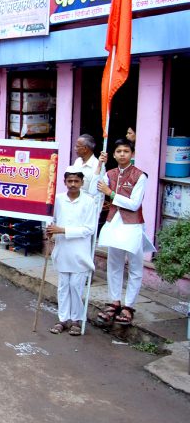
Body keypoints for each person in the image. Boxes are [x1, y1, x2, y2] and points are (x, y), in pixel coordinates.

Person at [90, 139, 155, 326]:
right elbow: (94, 190)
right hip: (113, 223)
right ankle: (114, 302)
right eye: (118, 151)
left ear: (132, 153)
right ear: (114, 154)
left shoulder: (140, 176)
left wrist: (111, 193)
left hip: (133, 225)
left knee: (135, 267)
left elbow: (134, 204)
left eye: (126, 151)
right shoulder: (110, 173)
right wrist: (100, 164)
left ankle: (129, 306)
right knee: (114, 264)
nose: (122, 154)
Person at [46, 167, 97, 336]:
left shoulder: (89, 201)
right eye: (70, 181)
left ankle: (76, 319)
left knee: (76, 286)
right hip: (62, 250)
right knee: (63, 286)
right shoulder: (58, 200)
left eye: (76, 181)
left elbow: (89, 228)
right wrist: (50, 232)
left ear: (82, 183)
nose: (73, 184)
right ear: (65, 182)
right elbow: (50, 221)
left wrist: (63, 230)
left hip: (80, 251)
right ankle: (63, 319)